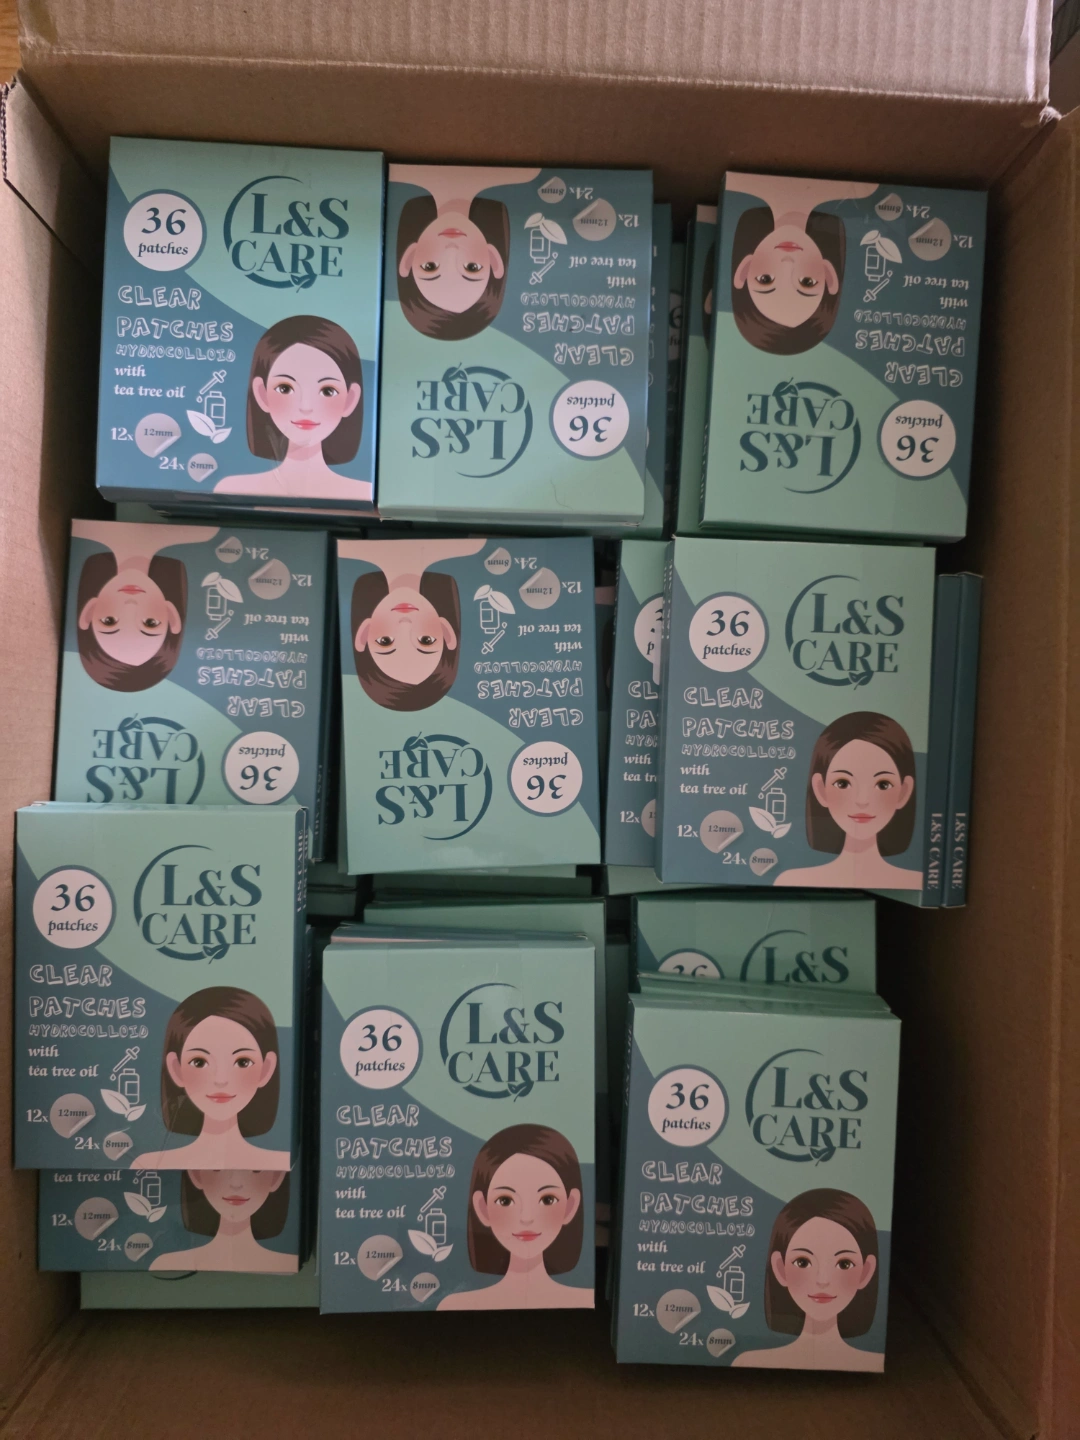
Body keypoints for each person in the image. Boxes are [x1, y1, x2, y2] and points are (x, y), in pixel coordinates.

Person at [131, 987, 290, 1170]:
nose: (220, 1080)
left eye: (242, 1062)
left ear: (266, 1069)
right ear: (176, 1068)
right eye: (199, 1062)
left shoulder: (281, 1163)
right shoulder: (147, 1165)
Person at [437, 1124, 592, 1310]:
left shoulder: (585, 1300)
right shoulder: (454, 1305)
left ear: (570, 1205)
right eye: (505, 1201)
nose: (526, 1218)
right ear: (482, 1208)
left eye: (547, 1199)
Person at [214, 315, 369, 500]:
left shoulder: (362, 493)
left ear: (350, 399)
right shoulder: (231, 489)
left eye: (327, 391)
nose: (305, 407)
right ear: (262, 394)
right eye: (285, 388)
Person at [732, 1188, 883, 1371]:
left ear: (866, 1272)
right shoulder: (747, 1360)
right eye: (802, 1262)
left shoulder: (872, 1361)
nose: (822, 1280)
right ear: (780, 1268)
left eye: (844, 1264)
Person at [727, 173, 878, 354]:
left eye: (765, 279)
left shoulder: (734, 186)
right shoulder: (864, 195)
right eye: (806, 282)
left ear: (744, 269)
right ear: (829, 274)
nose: (787, 263)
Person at [774, 711, 921, 889]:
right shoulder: (790, 879)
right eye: (843, 783)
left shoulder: (917, 881)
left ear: (904, 792)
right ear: (820, 789)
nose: (862, 801)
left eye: (883, 784)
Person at [393, 165, 539, 339]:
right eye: (471, 267)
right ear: (493, 258)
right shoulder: (529, 176)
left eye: (430, 266)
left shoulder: (393, 177)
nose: (451, 250)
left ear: (409, 257)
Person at [73, 520, 217, 692]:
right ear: (171, 615)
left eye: (109, 621)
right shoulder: (209, 536)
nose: (130, 605)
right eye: (150, 623)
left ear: (89, 611)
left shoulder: (84, 534)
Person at [348, 538, 485, 711]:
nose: (405, 624)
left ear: (363, 633)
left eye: (385, 641)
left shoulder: (347, 550)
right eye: (425, 640)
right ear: (446, 631)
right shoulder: (472, 547)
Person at [149, 1169, 296, 1273]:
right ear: (196, 1174)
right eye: (218, 1167)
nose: (236, 1183)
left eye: (256, 1169)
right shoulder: (167, 1263)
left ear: (276, 1177)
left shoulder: (285, 1263)